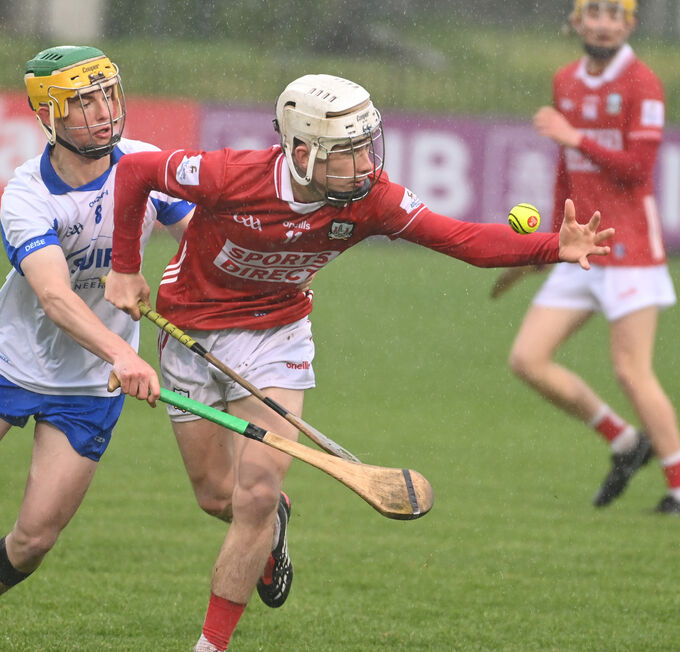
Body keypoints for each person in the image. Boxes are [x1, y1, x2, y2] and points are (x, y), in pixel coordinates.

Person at [104, 73, 613, 651]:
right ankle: (272, 532)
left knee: (256, 492)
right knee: (215, 496)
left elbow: (462, 238)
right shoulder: (233, 174)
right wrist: (125, 267)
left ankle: (211, 644)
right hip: (190, 329)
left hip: (278, 336)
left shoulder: (374, 199)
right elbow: (137, 172)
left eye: (368, 147)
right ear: (301, 152)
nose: (366, 165)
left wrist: (555, 247)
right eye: (347, 154)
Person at [0, 45, 194, 651]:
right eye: (83, 101)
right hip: (12, 361)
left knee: (35, 540)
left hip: (89, 387)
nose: (103, 111)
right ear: (49, 113)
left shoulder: (146, 165)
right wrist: (124, 353)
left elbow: (199, 238)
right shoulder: (26, 195)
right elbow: (55, 297)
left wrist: (207, 292)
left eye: (108, 94)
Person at [495, 0, 680, 514]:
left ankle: (678, 487)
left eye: (613, 16)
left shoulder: (642, 83)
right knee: (528, 359)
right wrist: (554, 239)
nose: (602, 24)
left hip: (631, 252)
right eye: (592, 14)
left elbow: (639, 169)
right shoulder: (566, 81)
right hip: (582, 249)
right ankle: (624, 440)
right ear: (577, 23)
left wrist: (575, 136)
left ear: (629, 25)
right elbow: (566, 167)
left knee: (632, 371)